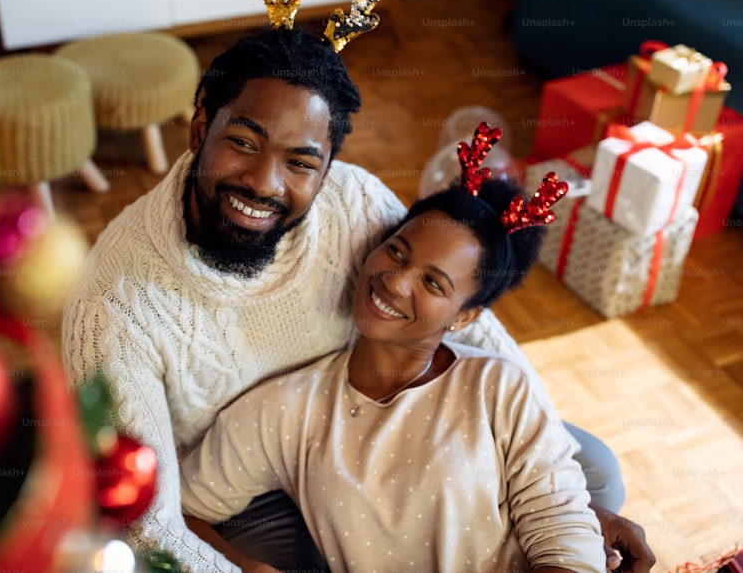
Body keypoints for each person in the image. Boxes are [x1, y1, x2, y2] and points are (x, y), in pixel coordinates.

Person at [62, 24, 654, 571]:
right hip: (238, 478)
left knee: (590, 467)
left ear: (327, 171)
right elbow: (146, 520)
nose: (265, 182)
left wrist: (568, 506)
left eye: (300, 162)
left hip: (367, 403)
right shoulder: (114, 306)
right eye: (243, 142)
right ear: (200, 129)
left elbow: (462, 318)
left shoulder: (353, 200)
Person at [179, 146, 606, 572]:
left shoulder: (500, 385)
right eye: (397, 252)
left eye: (433, 283)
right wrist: (239, 566)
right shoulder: (284, 410)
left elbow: (562, 535)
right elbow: (176, 510)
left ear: (465, 317)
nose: (396, 282)